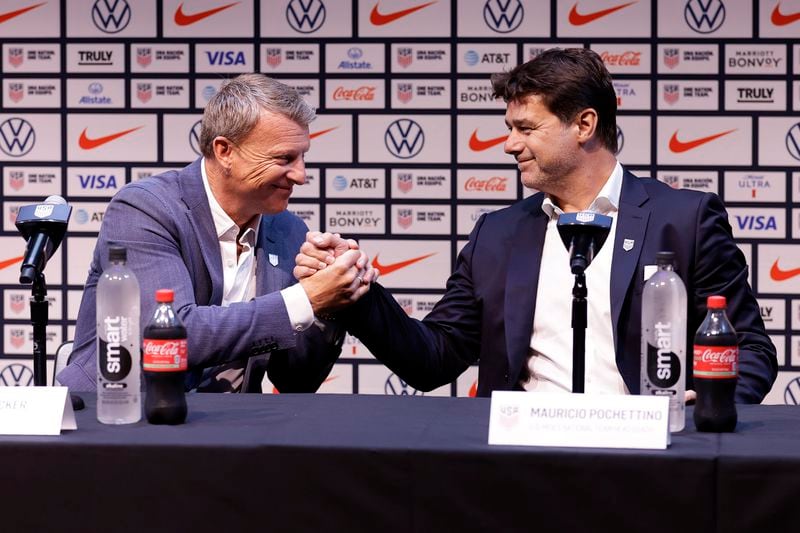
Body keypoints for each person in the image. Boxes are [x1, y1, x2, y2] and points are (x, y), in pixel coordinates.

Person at [295, 48, 777, 403]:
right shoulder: (498, 233)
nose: (508, 144)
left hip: (655, 461)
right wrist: (356, 291)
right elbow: (432, 358)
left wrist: (710, 401)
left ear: (584, 125)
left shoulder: (684, 219)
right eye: (509, 128)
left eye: (525, 129)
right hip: (521, 469)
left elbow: (750, 349)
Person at [59, 74, 376, 393]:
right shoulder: (143, 208)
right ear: (225, 151)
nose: (301, 175)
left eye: (303, 156)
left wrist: (330, 303)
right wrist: (305, 297)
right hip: (117, 417)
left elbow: (295, 379)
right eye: (284, 158)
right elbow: (175, 335)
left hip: (230, 429)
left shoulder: (289, 230)